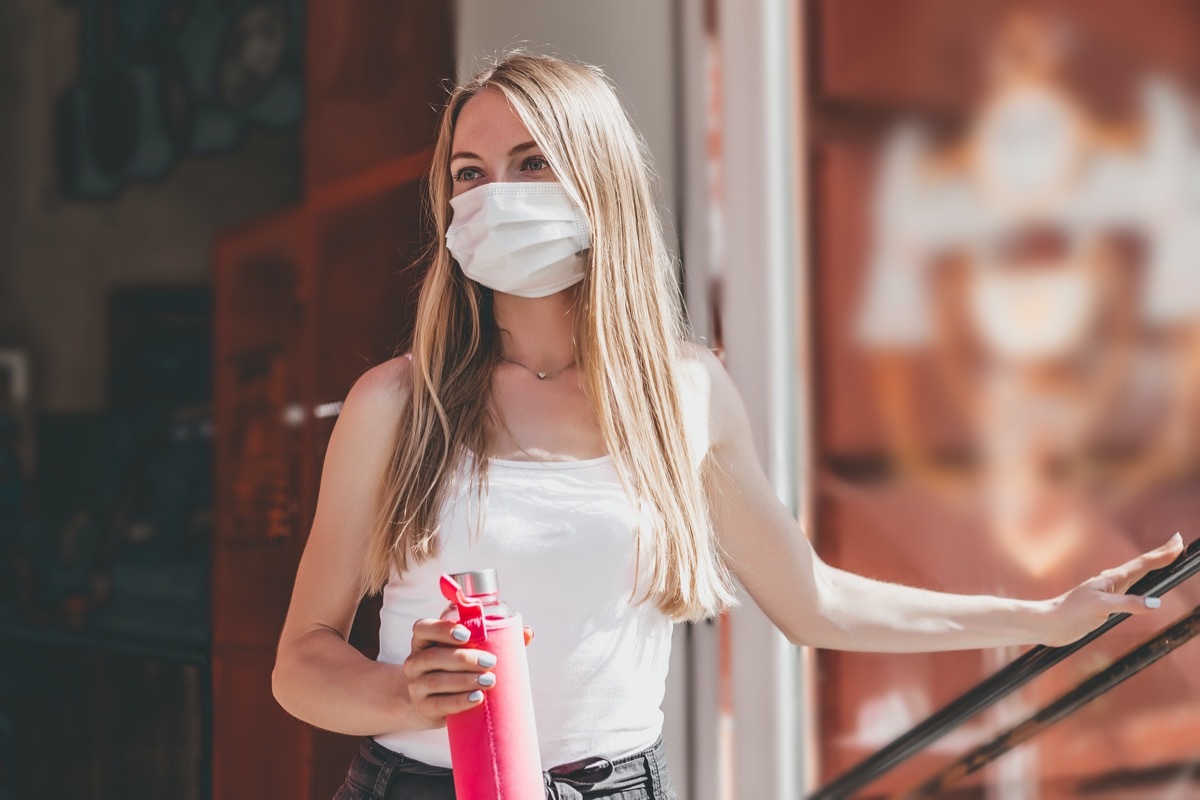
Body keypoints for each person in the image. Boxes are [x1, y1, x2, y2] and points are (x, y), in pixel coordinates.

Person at [270, 52, 1184, 800]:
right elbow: (300, 661)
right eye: (468, 175)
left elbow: (814, 602)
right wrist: (400, 690)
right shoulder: (396, 404)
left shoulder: (685, 393)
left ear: (600, 186)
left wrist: (1043, 617)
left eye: (531, 163)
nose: (492, 198)